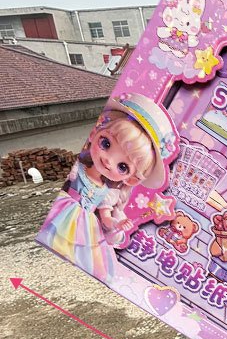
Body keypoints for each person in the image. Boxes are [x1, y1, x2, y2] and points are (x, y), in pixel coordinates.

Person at [39, 93, 175, 280]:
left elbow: (106, 218)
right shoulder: (77, 169)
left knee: (79, 259)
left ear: (131, 179)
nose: (109, 160)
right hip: (62, 210)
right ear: (94, 133)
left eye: (123, 166)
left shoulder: (108, 193)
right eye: (106, 143)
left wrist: (117, 223)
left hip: (86, 227)